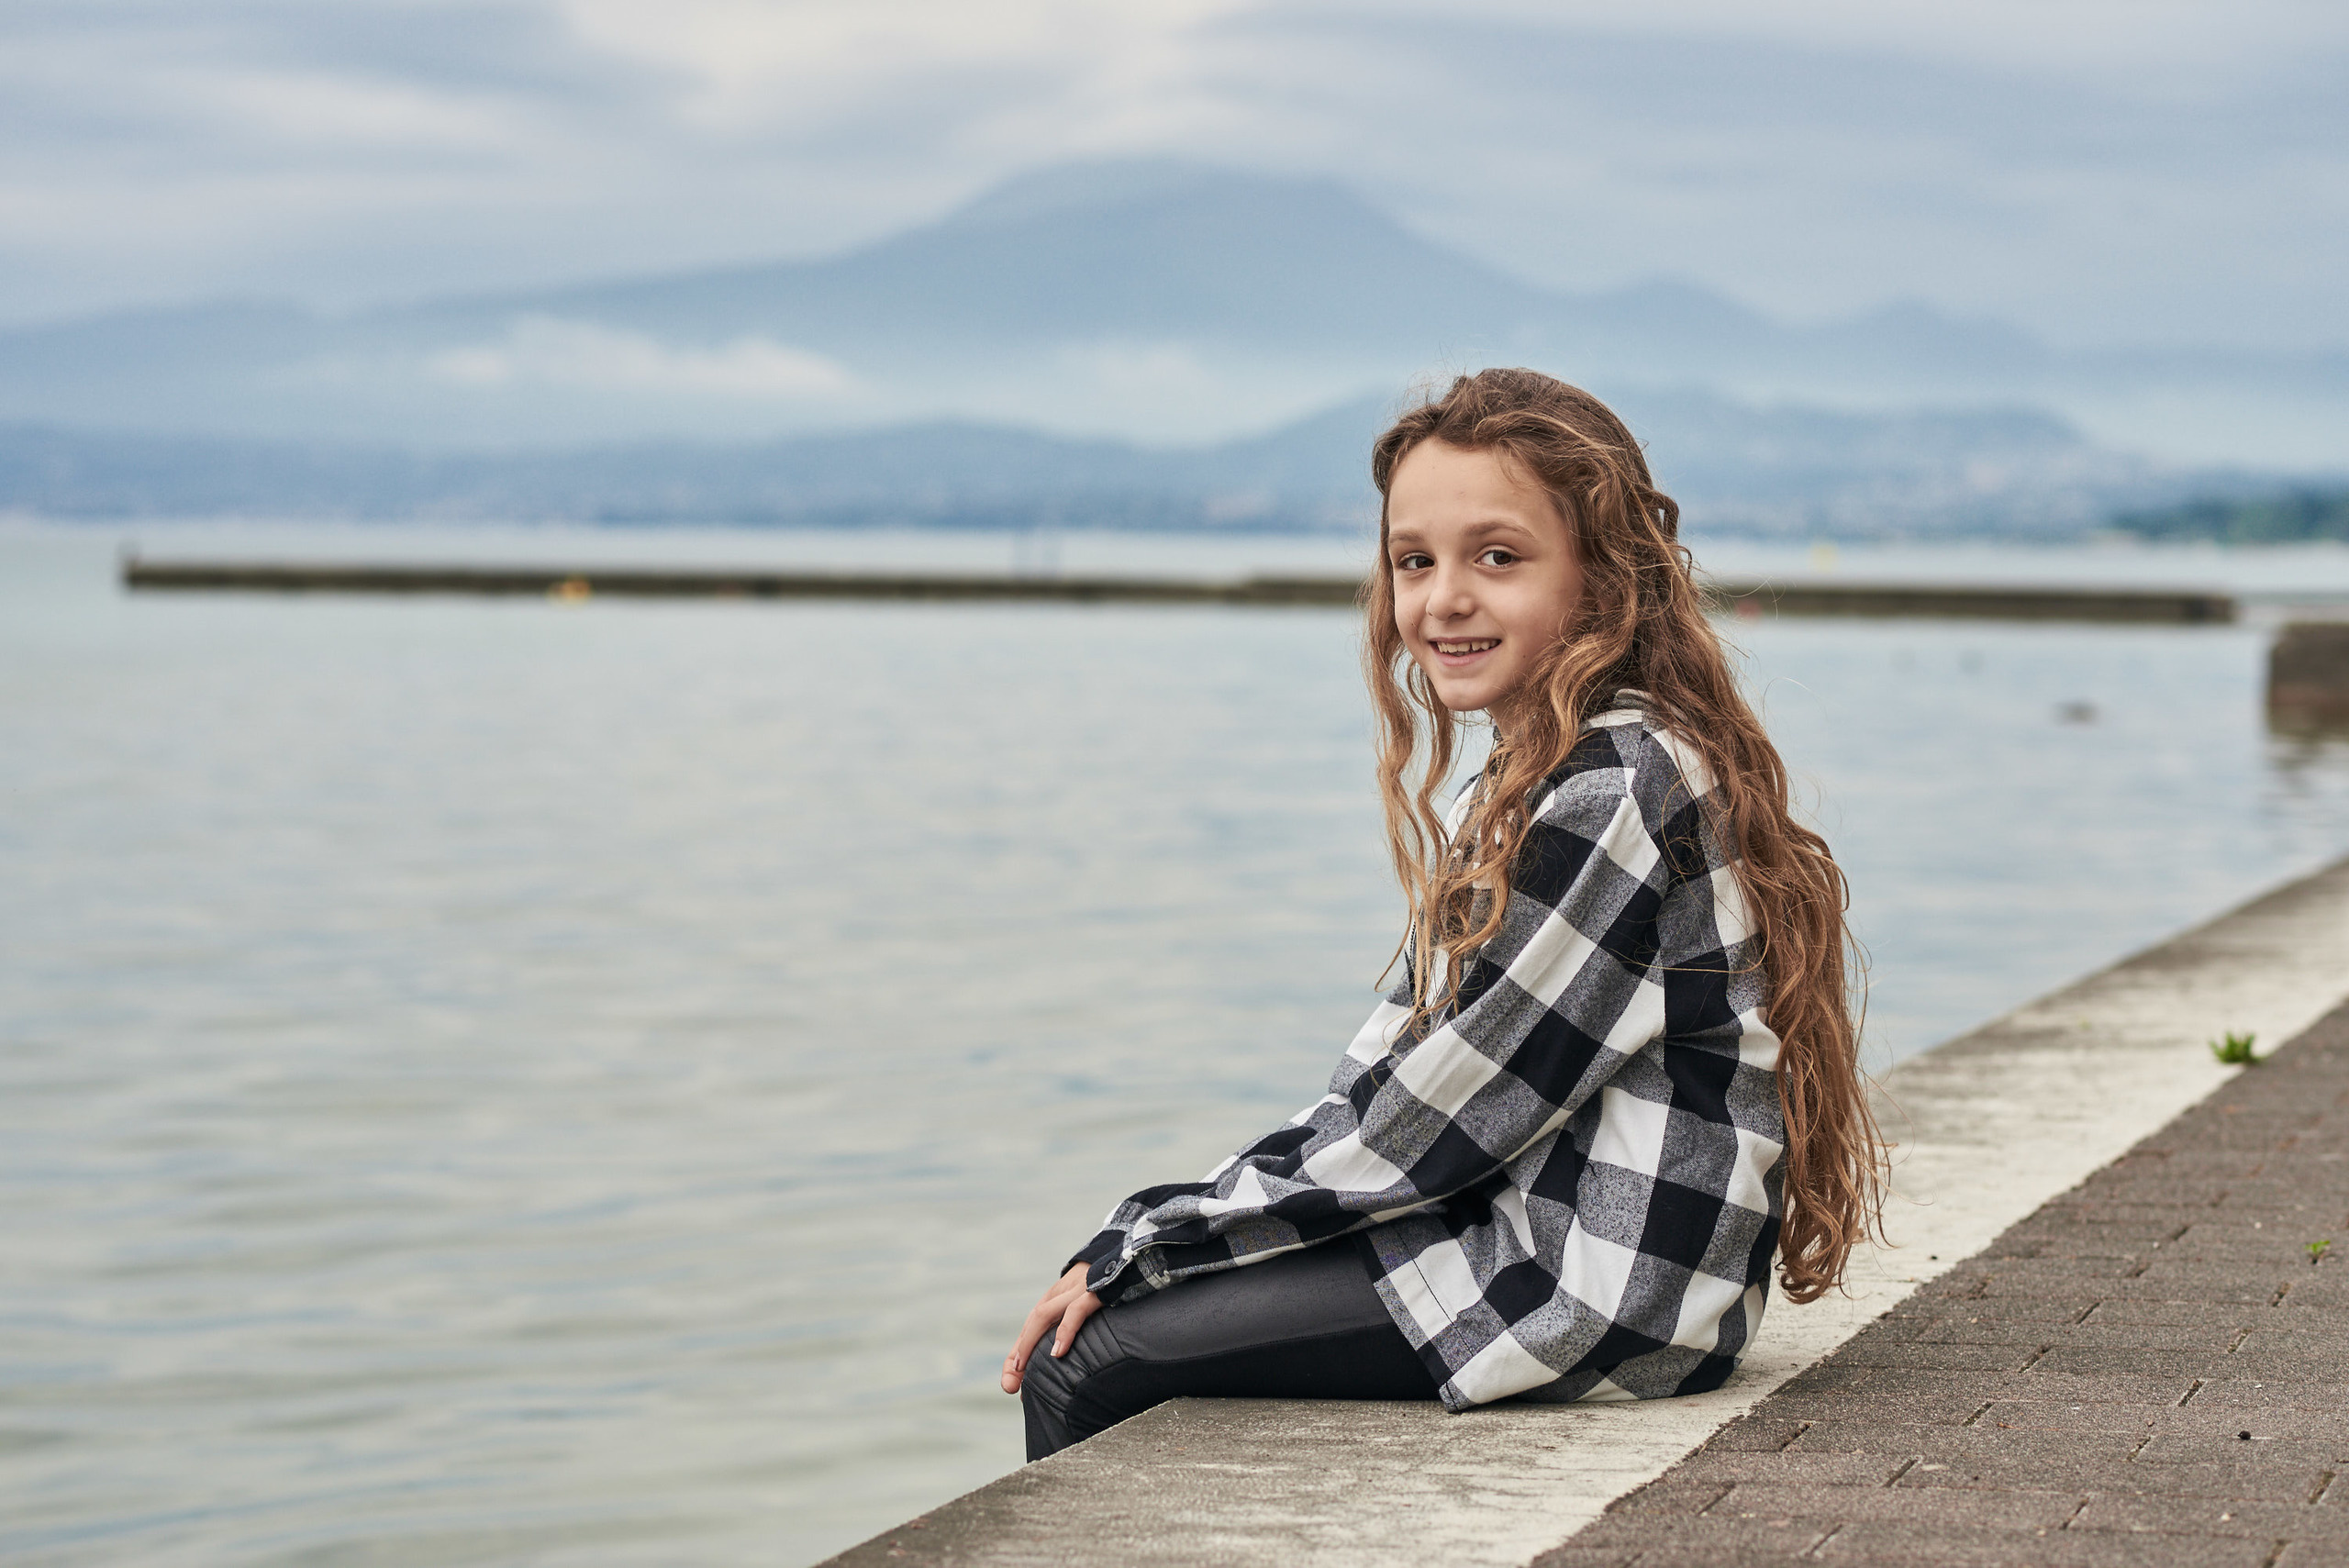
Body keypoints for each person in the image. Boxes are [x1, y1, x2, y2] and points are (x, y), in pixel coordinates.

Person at [1003, 367, 1885, 1461]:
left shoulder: (1612, 789)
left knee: (1085, 1359)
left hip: (1599, 1285)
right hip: (1546, 1236)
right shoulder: (1536, 772)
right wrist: (1170, 1223)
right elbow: (1389, 1065)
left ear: (1604, 577)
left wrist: (1153, 1239)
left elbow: (1441, 1116)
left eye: (1497, 557)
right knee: (1131, 1301)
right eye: (1413, 560)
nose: (1441, 598)